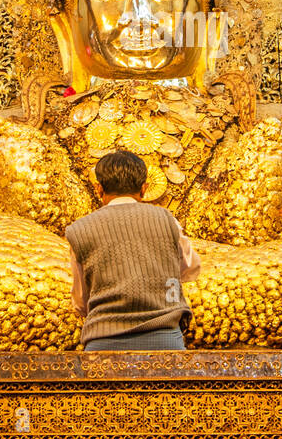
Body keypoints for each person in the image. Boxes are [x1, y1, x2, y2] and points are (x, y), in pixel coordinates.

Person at [65, 150, 201, 351]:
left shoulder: (78, 230)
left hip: (102, 344)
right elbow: (191, 268)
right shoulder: (166, 219)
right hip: (165, 340)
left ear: (98, 188)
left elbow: (81, 302)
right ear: (144, 188)